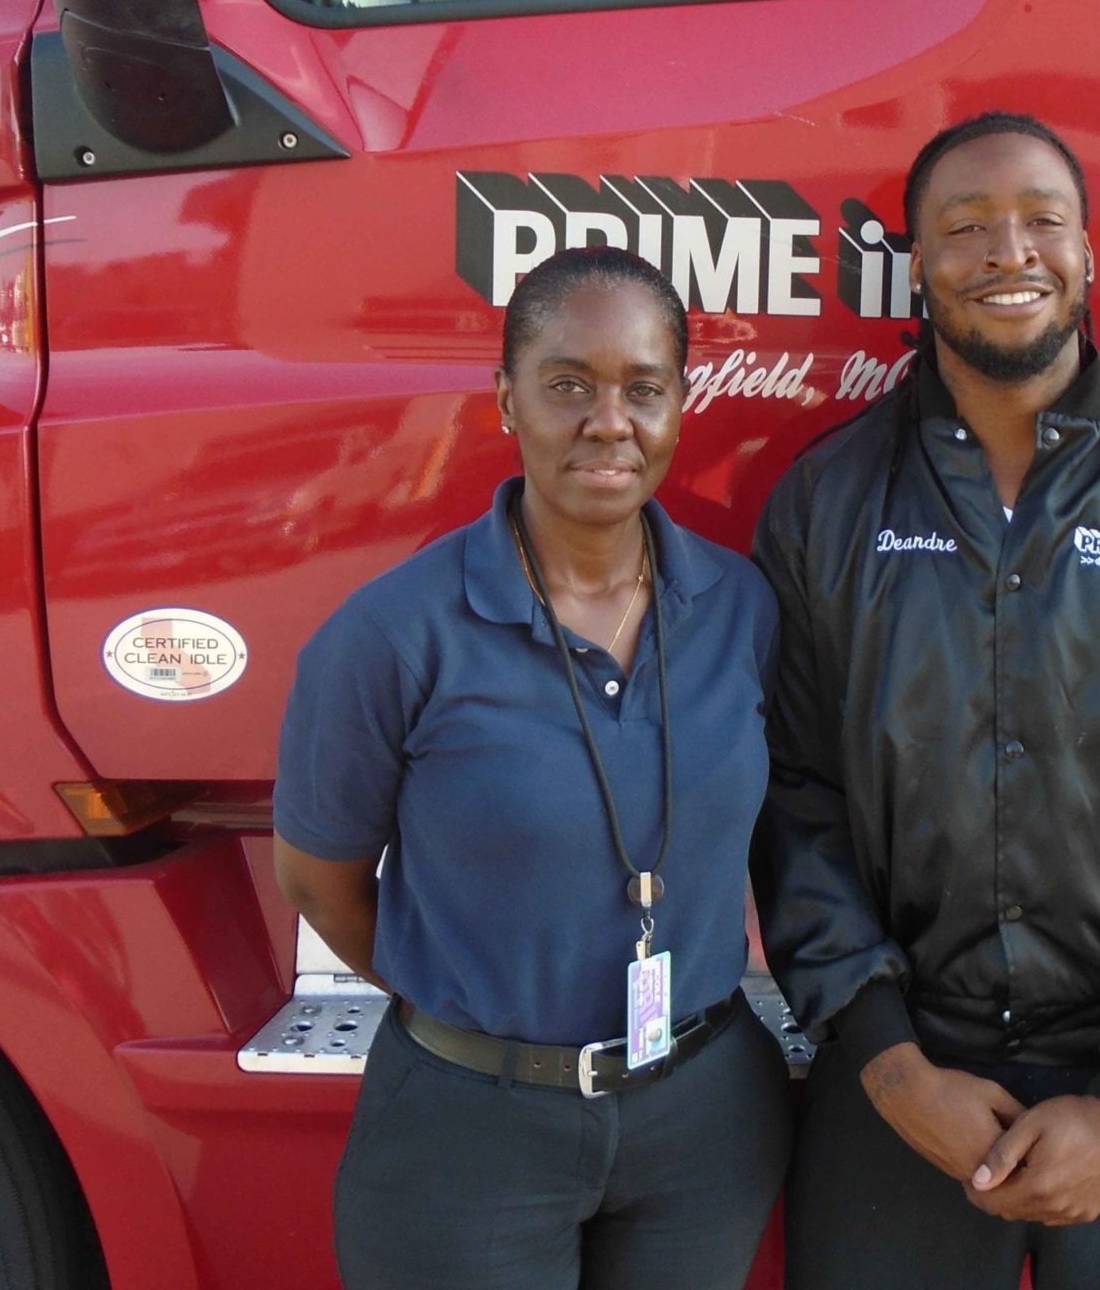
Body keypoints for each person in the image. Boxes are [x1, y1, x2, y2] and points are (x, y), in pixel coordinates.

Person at [752, 112, 1100, 1290]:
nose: (1008, 252)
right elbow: (794, 800)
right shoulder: (825, 503)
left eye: (1041, 222)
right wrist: (889, 1064)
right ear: (915, 267)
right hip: (906, 1083)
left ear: (1090, 256)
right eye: (963, 229)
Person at [275, 246, 791, 1290]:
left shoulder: (741, 609)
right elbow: (318, 878)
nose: (608, 421)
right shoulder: (391, 636)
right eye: (567, 385)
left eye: (642, 389)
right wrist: (471, 1003)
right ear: (505, 399)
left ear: (681, 406)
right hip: (472, 1130)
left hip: (702, 1119)